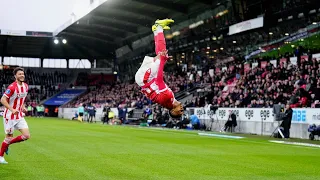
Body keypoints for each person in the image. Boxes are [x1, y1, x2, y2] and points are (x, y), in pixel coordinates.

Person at [135, 19, 183, 119]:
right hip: (145, 80)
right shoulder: (170, 101)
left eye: (180, 111)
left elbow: (159, 80)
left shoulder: (167, 98)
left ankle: (159, 27)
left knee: (162, 56)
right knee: (161, 55)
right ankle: (156, 30)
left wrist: (162, 61)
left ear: (173, 111)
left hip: (145, 79)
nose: (182, 109)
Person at [0, 67, 30, 164]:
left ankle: (7, 144)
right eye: (19, 74)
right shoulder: (12, 87)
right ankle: (0, 157)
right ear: (15, 76)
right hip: (9, 116)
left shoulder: (26, 86)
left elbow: (22, 99)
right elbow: (2, 100)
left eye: (23, 73)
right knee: (8, 137)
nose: (22, 75)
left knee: (26, 135)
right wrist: (12, 109)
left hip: (19, 116)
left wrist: (23, 107)